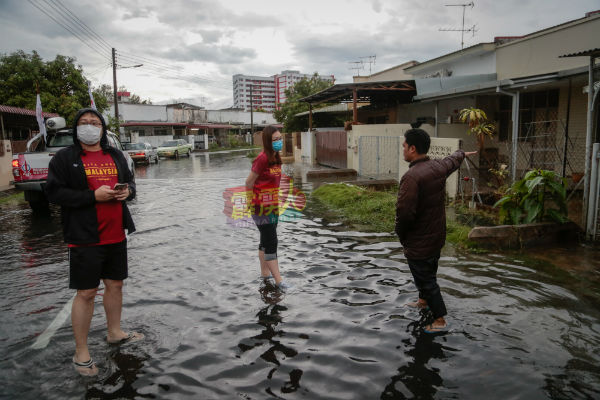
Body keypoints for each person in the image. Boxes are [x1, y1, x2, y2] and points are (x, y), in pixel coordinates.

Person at [46, 108, 143, 376]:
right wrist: (92, 196)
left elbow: (131, 184)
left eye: (95, 123)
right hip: (84, 236)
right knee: (86, 293)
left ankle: (114, 332)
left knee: (115, 285)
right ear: (76, 128)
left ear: (103, 129)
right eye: (84, 123)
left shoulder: (115, 155)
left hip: (115, 233)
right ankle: (81, 352)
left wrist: (127, 192)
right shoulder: (65, 158)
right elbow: (54, 193)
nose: (89, 126)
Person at [395, 128, 476, 333]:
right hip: (436, 237)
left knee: (427, 279)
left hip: (420, 241)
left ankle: (439, 320)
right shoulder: (437, 167)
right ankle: (423, 301)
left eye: (404, 146)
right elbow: (452, 160)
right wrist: (462, 154)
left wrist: (402, 236)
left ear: (412, 149)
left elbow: (404, 214)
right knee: (428, 272)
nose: (402, 150)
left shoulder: (411, 177)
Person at [245, 126, 291, 291]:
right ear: (267, 142)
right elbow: (249, 182)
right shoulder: (262, 159)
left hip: (272, 206)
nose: (279, 142)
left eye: (280, 138)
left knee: (265, 241)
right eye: (275, 140)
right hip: (261, 208)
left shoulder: (276, 158)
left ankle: (265, 274)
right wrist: (250, 203)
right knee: (272, 242)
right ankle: (279, 282)